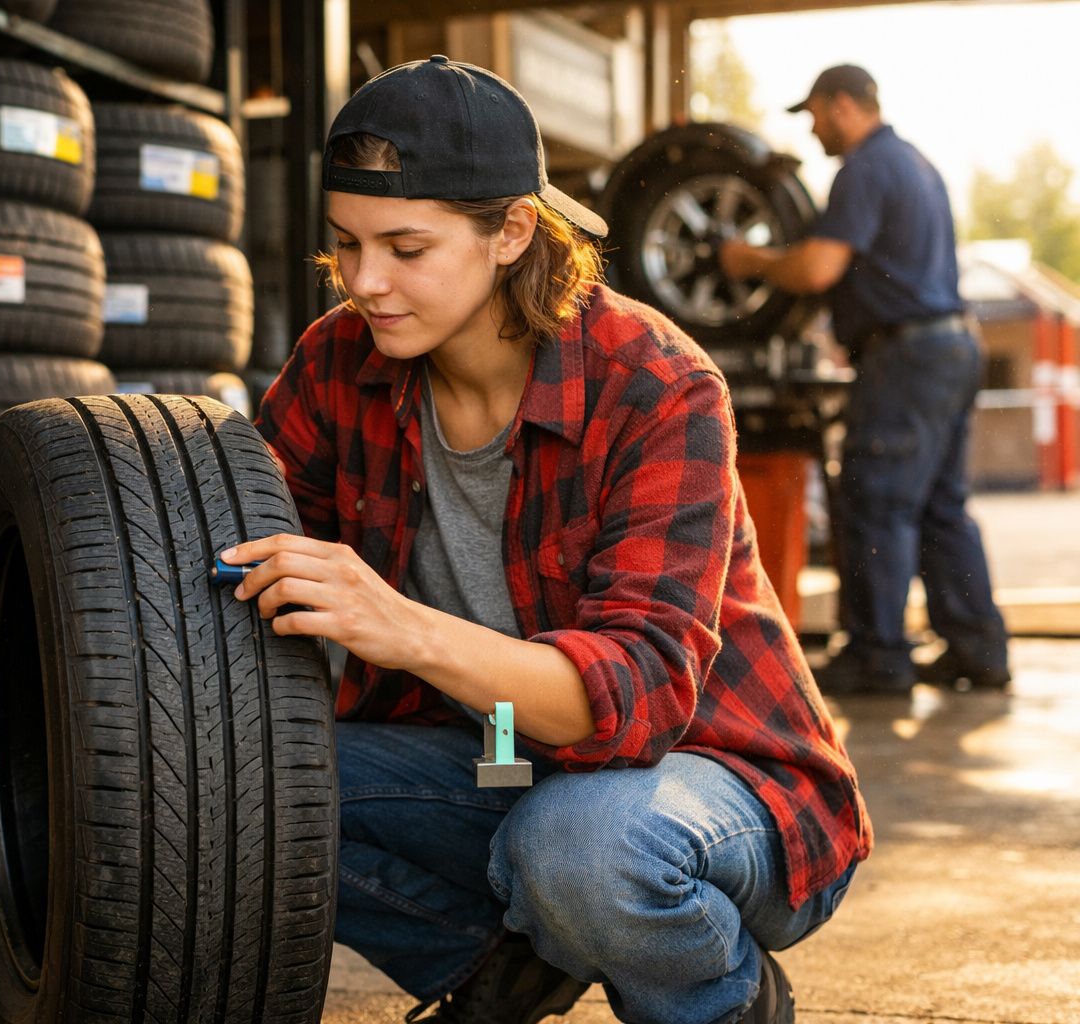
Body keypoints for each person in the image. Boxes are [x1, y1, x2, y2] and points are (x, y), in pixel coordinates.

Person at [220, 56, 870, 1024]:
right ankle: (500, 964)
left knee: (580, 847)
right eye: (346, 245)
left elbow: (639, 697)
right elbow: (233, 558)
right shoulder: (336, 362)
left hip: (715, 780)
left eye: (406, 247)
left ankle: (719, 1002)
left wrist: (401, 628)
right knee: (222, 784)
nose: (364, 282)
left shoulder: (655, 383)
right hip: (502, 756)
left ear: (512, 230)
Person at [720, 64, 1010, 695]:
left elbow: (819, 268)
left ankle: (879, 658)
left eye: (817, 114)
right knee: (940, 508)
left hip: (907, 355)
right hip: (951, 345)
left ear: (844, 104)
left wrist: (750, 261)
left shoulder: (865, 168)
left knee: (875, 501)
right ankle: (978, 651)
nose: (815, 128)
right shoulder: (914, 162)